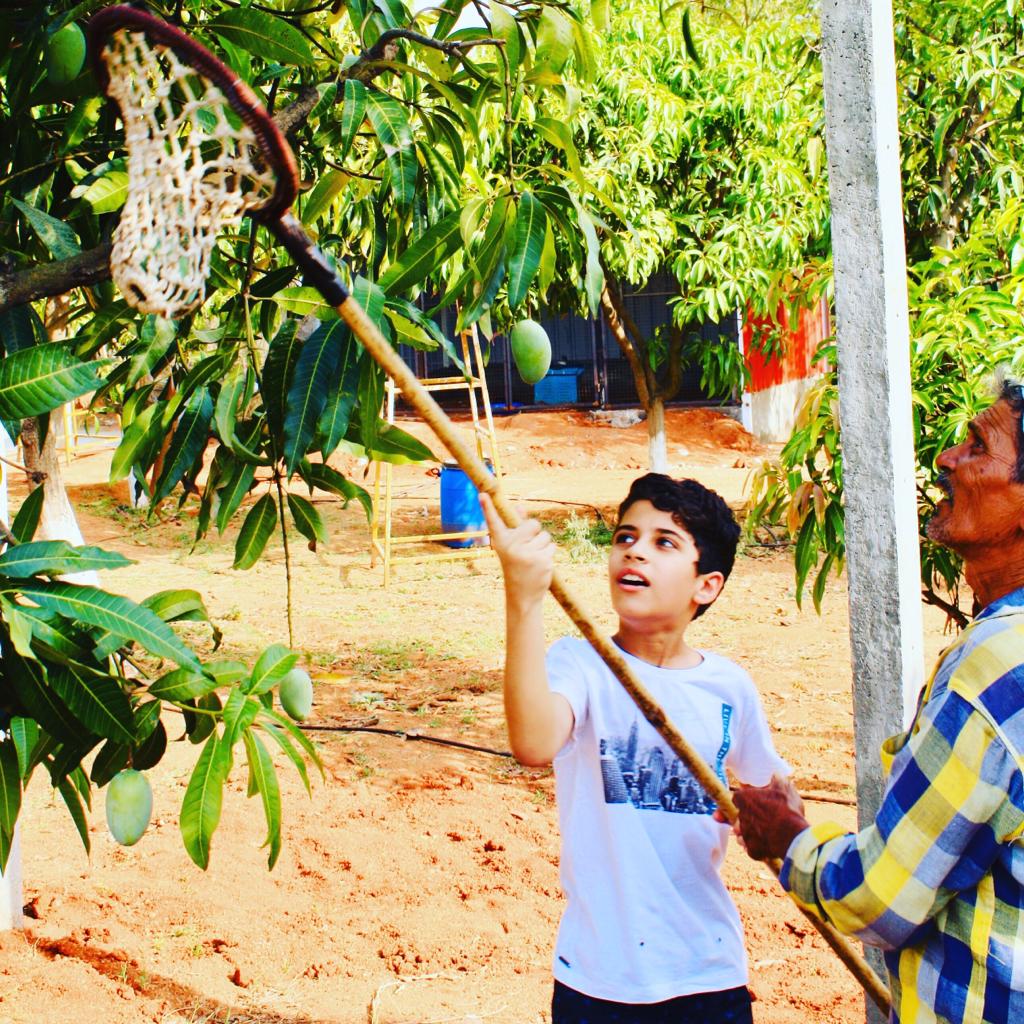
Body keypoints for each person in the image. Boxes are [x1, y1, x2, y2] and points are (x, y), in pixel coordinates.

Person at [728, 380, 1024, 1024]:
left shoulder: (998, 671)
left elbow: (881, 897)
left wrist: (789, 837)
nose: (947, 459)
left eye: (978, 446)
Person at [479, 473, 790, 1024]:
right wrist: (523, 599)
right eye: (625, 537)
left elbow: (774, 796)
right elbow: (532, 740)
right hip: (599, 977)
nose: (635, 551)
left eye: (663, 542)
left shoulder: (729, 688)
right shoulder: (582, 665)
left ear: (707, 586)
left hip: (707, 972)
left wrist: (770, 819)